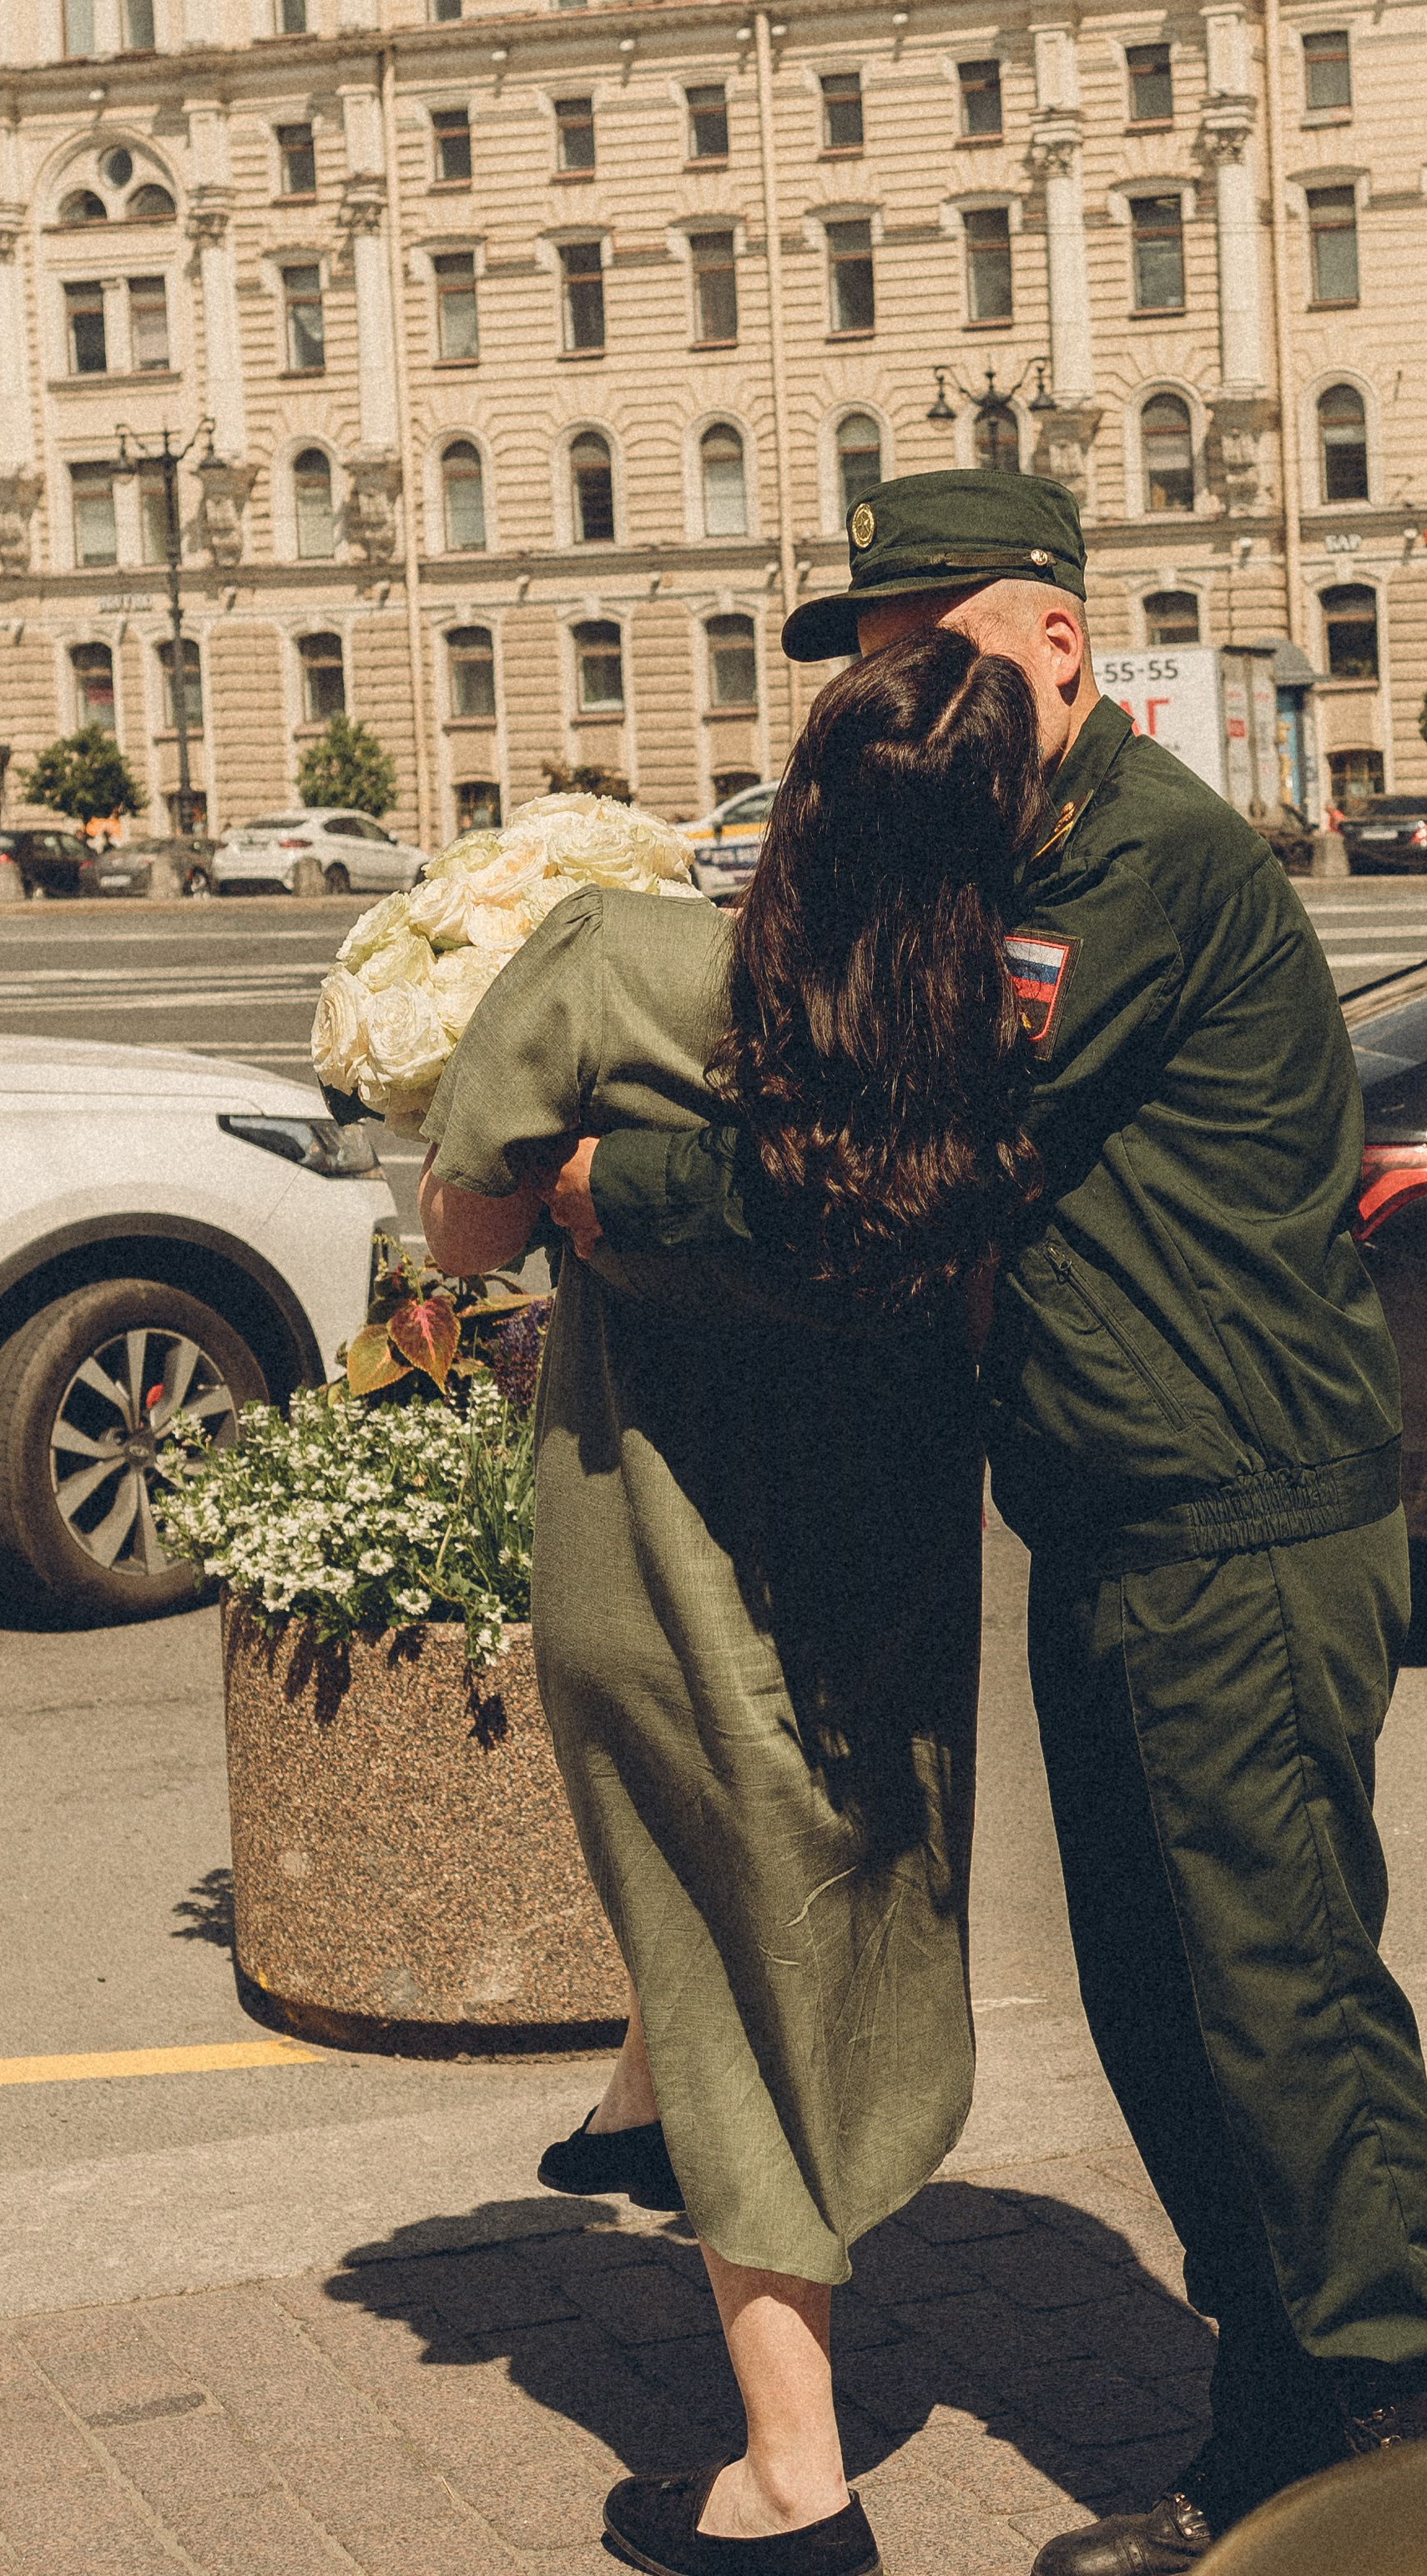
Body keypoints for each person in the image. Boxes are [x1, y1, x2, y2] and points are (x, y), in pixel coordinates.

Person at [565, 472, 1427, 2571]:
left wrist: (623, 1193)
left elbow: (918, 1142)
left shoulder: (1135, 865)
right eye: (874, 666)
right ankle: (1273, 2445)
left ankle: (1394, 2474)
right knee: (1168, 2009)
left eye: (930, 649)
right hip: (1120, 1519)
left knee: (1279, 2001)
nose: (902, 694)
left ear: (1057, 644)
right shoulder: (1010, 854)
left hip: (1237, 1526)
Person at [421, 631, 1048, 2576]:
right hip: (884, 1563)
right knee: (829, 1901)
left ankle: (792, 2480)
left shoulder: (613, 963)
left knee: (718, 1952)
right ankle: (651, 2106)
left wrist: (583, 1184)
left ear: (795, 807)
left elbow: (463, 1224)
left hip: (658, 1549)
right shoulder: (997, 1037)